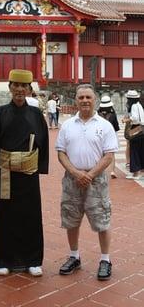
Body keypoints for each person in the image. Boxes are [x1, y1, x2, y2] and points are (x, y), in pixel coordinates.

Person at [0, 69, 49, 277]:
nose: (19, 89)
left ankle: (33, 260)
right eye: (15, 85)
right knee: (4, 216)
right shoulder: (0, 113)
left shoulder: (35, 114)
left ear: (29, 89)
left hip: (29, 173)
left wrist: (38, 164)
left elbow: (42, 141)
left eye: (23, 86)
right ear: (9, 87)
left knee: (31, 215)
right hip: (6, 172)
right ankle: (2, 259)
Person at [56, 84, 118, 281]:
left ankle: (105, 259)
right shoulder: (67, 125)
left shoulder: (104, 125)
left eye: (88, 97)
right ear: (75, 100)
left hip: (96, 179)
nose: (84, 101)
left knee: (102, 219)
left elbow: (108, 156)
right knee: (71, 218)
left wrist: (90, 175)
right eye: (81, 97)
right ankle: (74, 256)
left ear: (95, 100)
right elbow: (61, 153)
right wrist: (75, 173)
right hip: (72, 179)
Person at [123, 90, 144, 179]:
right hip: (142, 129)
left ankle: (136, 173)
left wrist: (126, 120)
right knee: (141, 151)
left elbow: (135, 118)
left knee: (134, 151)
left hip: (136, 128)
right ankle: (141, 171)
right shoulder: (139, 105)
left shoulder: (134, 106)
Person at [98, 95, 120, 178]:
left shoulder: (98, 113)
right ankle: (112, 171)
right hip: (111, 135)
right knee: (111, 154)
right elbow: (116, 127)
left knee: (100, 154)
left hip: (100, 135)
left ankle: (100, 170)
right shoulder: (113, 114)